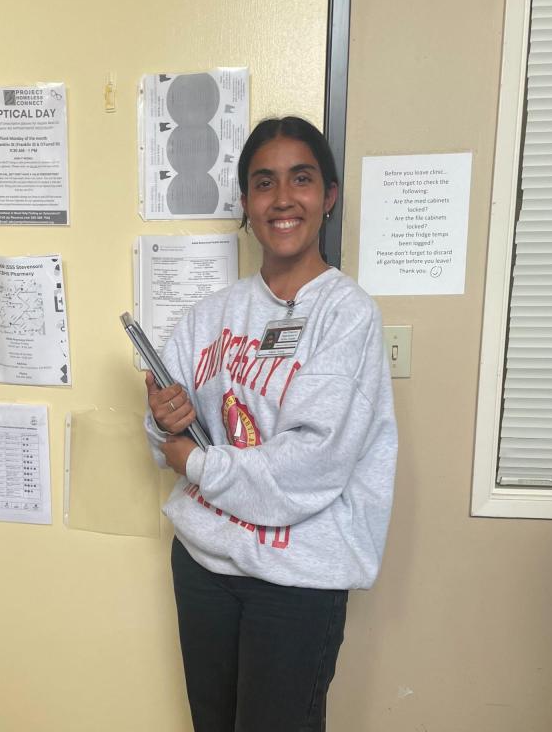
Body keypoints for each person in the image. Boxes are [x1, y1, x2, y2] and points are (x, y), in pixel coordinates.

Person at [143, 116, 397, 732]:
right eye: (264, 183)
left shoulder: (347, 315)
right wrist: (164, 421)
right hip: (204, 565)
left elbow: (311, 466)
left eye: (301, 179)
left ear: (329, 196)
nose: (283, 199)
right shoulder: (213, 314)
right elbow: (166, 429)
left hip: (297, 578)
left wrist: (194, 462)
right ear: (247, 203)